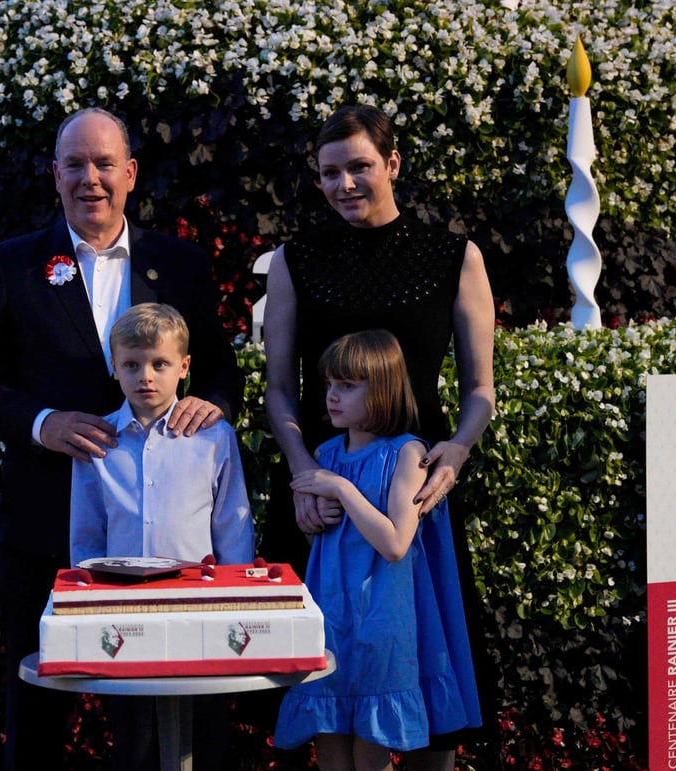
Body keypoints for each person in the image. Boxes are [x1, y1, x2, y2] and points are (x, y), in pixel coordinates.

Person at [0, 106, 244, 770]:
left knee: (180, 719)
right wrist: (44, 423)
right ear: (54, 174)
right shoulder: (12, 264)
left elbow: (219, 370)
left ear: (130, 174)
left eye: (103, 164)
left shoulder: (179, 263)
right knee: (37, 717)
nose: (89, 178)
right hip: (44, 525)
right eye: (75, 164)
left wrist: (209, 405)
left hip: (169, 549)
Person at [260, 103, 497, 767]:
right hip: (320, 496)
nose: (344, 184)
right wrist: (304, 477)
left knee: (428, 680)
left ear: (392, 164)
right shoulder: (294, 260)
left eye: (359, 166)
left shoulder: (454, 257)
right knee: (324, 688)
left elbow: (481, 389)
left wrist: (458, 449)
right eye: (329, 172)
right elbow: (279, 388)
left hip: (413, 494)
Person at [273, 329, 481, 770]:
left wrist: (342, 490)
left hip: (381, 623)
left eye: (348, 386)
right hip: (330, 619)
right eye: (330, 384)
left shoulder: (407, 453)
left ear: (383, 389)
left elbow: (395, 543)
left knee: (371, 752)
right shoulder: (326, 453)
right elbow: (324, 543)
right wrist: (314, 516)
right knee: (329, 745)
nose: (332, 396)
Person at [70, 302, 254, 770]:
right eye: (132, 365)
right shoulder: (97, 442)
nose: (146, 377)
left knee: (205, 731)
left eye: (159, 364)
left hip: (200, 609)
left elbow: (233, 524)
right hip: (122, 610)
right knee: (134, 738)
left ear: (184, 367)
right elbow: (86, 535)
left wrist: (236, 600)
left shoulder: (213, 437)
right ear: (115, 367)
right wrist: (87, 606)